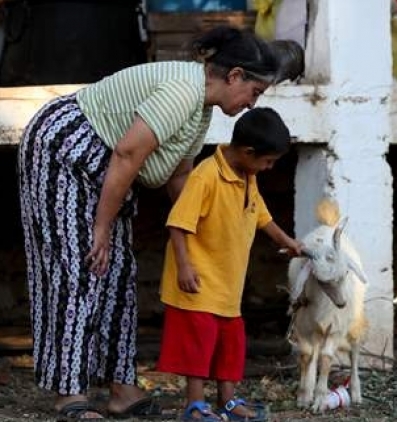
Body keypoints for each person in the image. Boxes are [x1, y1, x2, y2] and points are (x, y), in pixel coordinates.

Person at [16, 24, 303, 420]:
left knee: (116, 271)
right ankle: (70, 395)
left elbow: (179, 174)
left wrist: (201, 233)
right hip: (64, 151)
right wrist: (101, 228)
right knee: (78, 264)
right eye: (255, 92)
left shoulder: (200, 109)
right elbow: (128, 153)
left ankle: (121, 388)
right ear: (235, 76)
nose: (253, 104)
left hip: (105, 172)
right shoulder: (183, 90)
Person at [155, 107, 302, 422]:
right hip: (197, 280)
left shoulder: (248, 176)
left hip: (227, 285)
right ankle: (194, 406)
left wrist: (286, 241)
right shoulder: (206, 176)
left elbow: (261, 214)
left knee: (230, 343)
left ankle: (228, 401)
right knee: (198, 345)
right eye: (268, 161)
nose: (269, 168)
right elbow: (178, 224)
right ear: (249, 152)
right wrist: (183, 267)